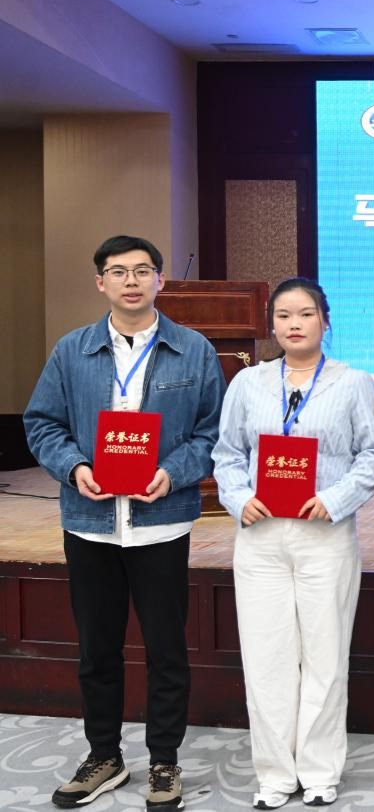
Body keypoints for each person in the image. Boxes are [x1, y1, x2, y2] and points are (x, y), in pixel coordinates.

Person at [23, 235, 225, 810]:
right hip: (90, 522)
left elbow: (211, 432)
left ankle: (164, 760)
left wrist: (172, 473)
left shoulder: (193, 349)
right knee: (97, 649)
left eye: (142, 270)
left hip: (160, 523)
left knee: (166, 650)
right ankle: (104, 757)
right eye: (118, 271)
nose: (131, 281)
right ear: (101, 282)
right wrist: (74, 467)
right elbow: (41, 423)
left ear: (160, 279)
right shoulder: (71, 350)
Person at [211, 277, 374, 809]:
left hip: (324, 535)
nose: (294, 324)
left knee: (325, 658)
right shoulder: (248, 383)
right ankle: (274, 775)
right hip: (261, 536)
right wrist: (239, 498)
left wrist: (335, 498)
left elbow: (371, 455)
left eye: (306, 313)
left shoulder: (352, 382)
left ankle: (319, 772)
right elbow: (227, 454)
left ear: (325, 321)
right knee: (267, 660)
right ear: (272, 324)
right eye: (284, 315)